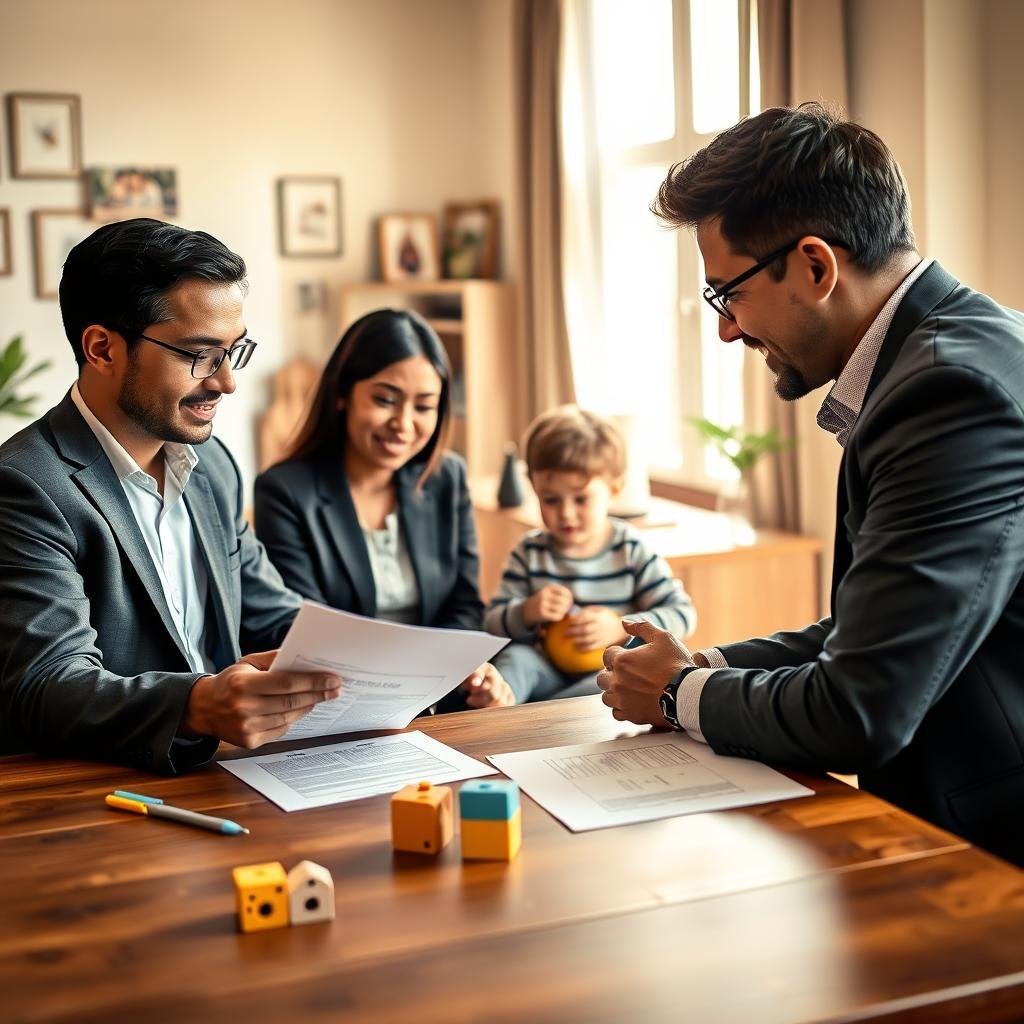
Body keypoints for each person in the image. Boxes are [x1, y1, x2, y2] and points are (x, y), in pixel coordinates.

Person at [597, 103, 1024, 865]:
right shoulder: (957, 351)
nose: (726, 328)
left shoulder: (948, 393)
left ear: (817, 266)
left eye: (727, 293)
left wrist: (675, 696)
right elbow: (889, 627)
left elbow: (863, 705)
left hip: (992, 853)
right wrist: (703, 669)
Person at [0, 218, 341, 773]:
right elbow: (47, 685)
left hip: (230, 774)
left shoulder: (215, 467)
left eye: (234, 351)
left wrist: (392, 664)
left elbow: (270, 613)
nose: (226, 382)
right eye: (199, 354)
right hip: (107, 796)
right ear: (103, 349)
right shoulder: (25, 485)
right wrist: (196, 704)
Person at [253, 309, 513, 711]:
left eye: (424, 407)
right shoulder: (285, 491)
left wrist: (466, 676)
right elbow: (303, 630)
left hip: (439, 698)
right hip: (335, 706)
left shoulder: (448, 478)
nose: (404, 424)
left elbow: (463, 606)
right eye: (385, 399)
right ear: (342, 394)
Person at [484, 406, 695, 703]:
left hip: (608, 672)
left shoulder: (630, 549)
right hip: (543, 670)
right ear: (535, 489)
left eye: (581, 499)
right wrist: (527, 610)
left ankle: (549, 713)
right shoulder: (529, 552)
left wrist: (620, 627)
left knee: (611, 680)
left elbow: (682, 614)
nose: (566, 513)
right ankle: (499, 703)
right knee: (517, 660)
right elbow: (492, 622)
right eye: (551, 500)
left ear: (614, 488)